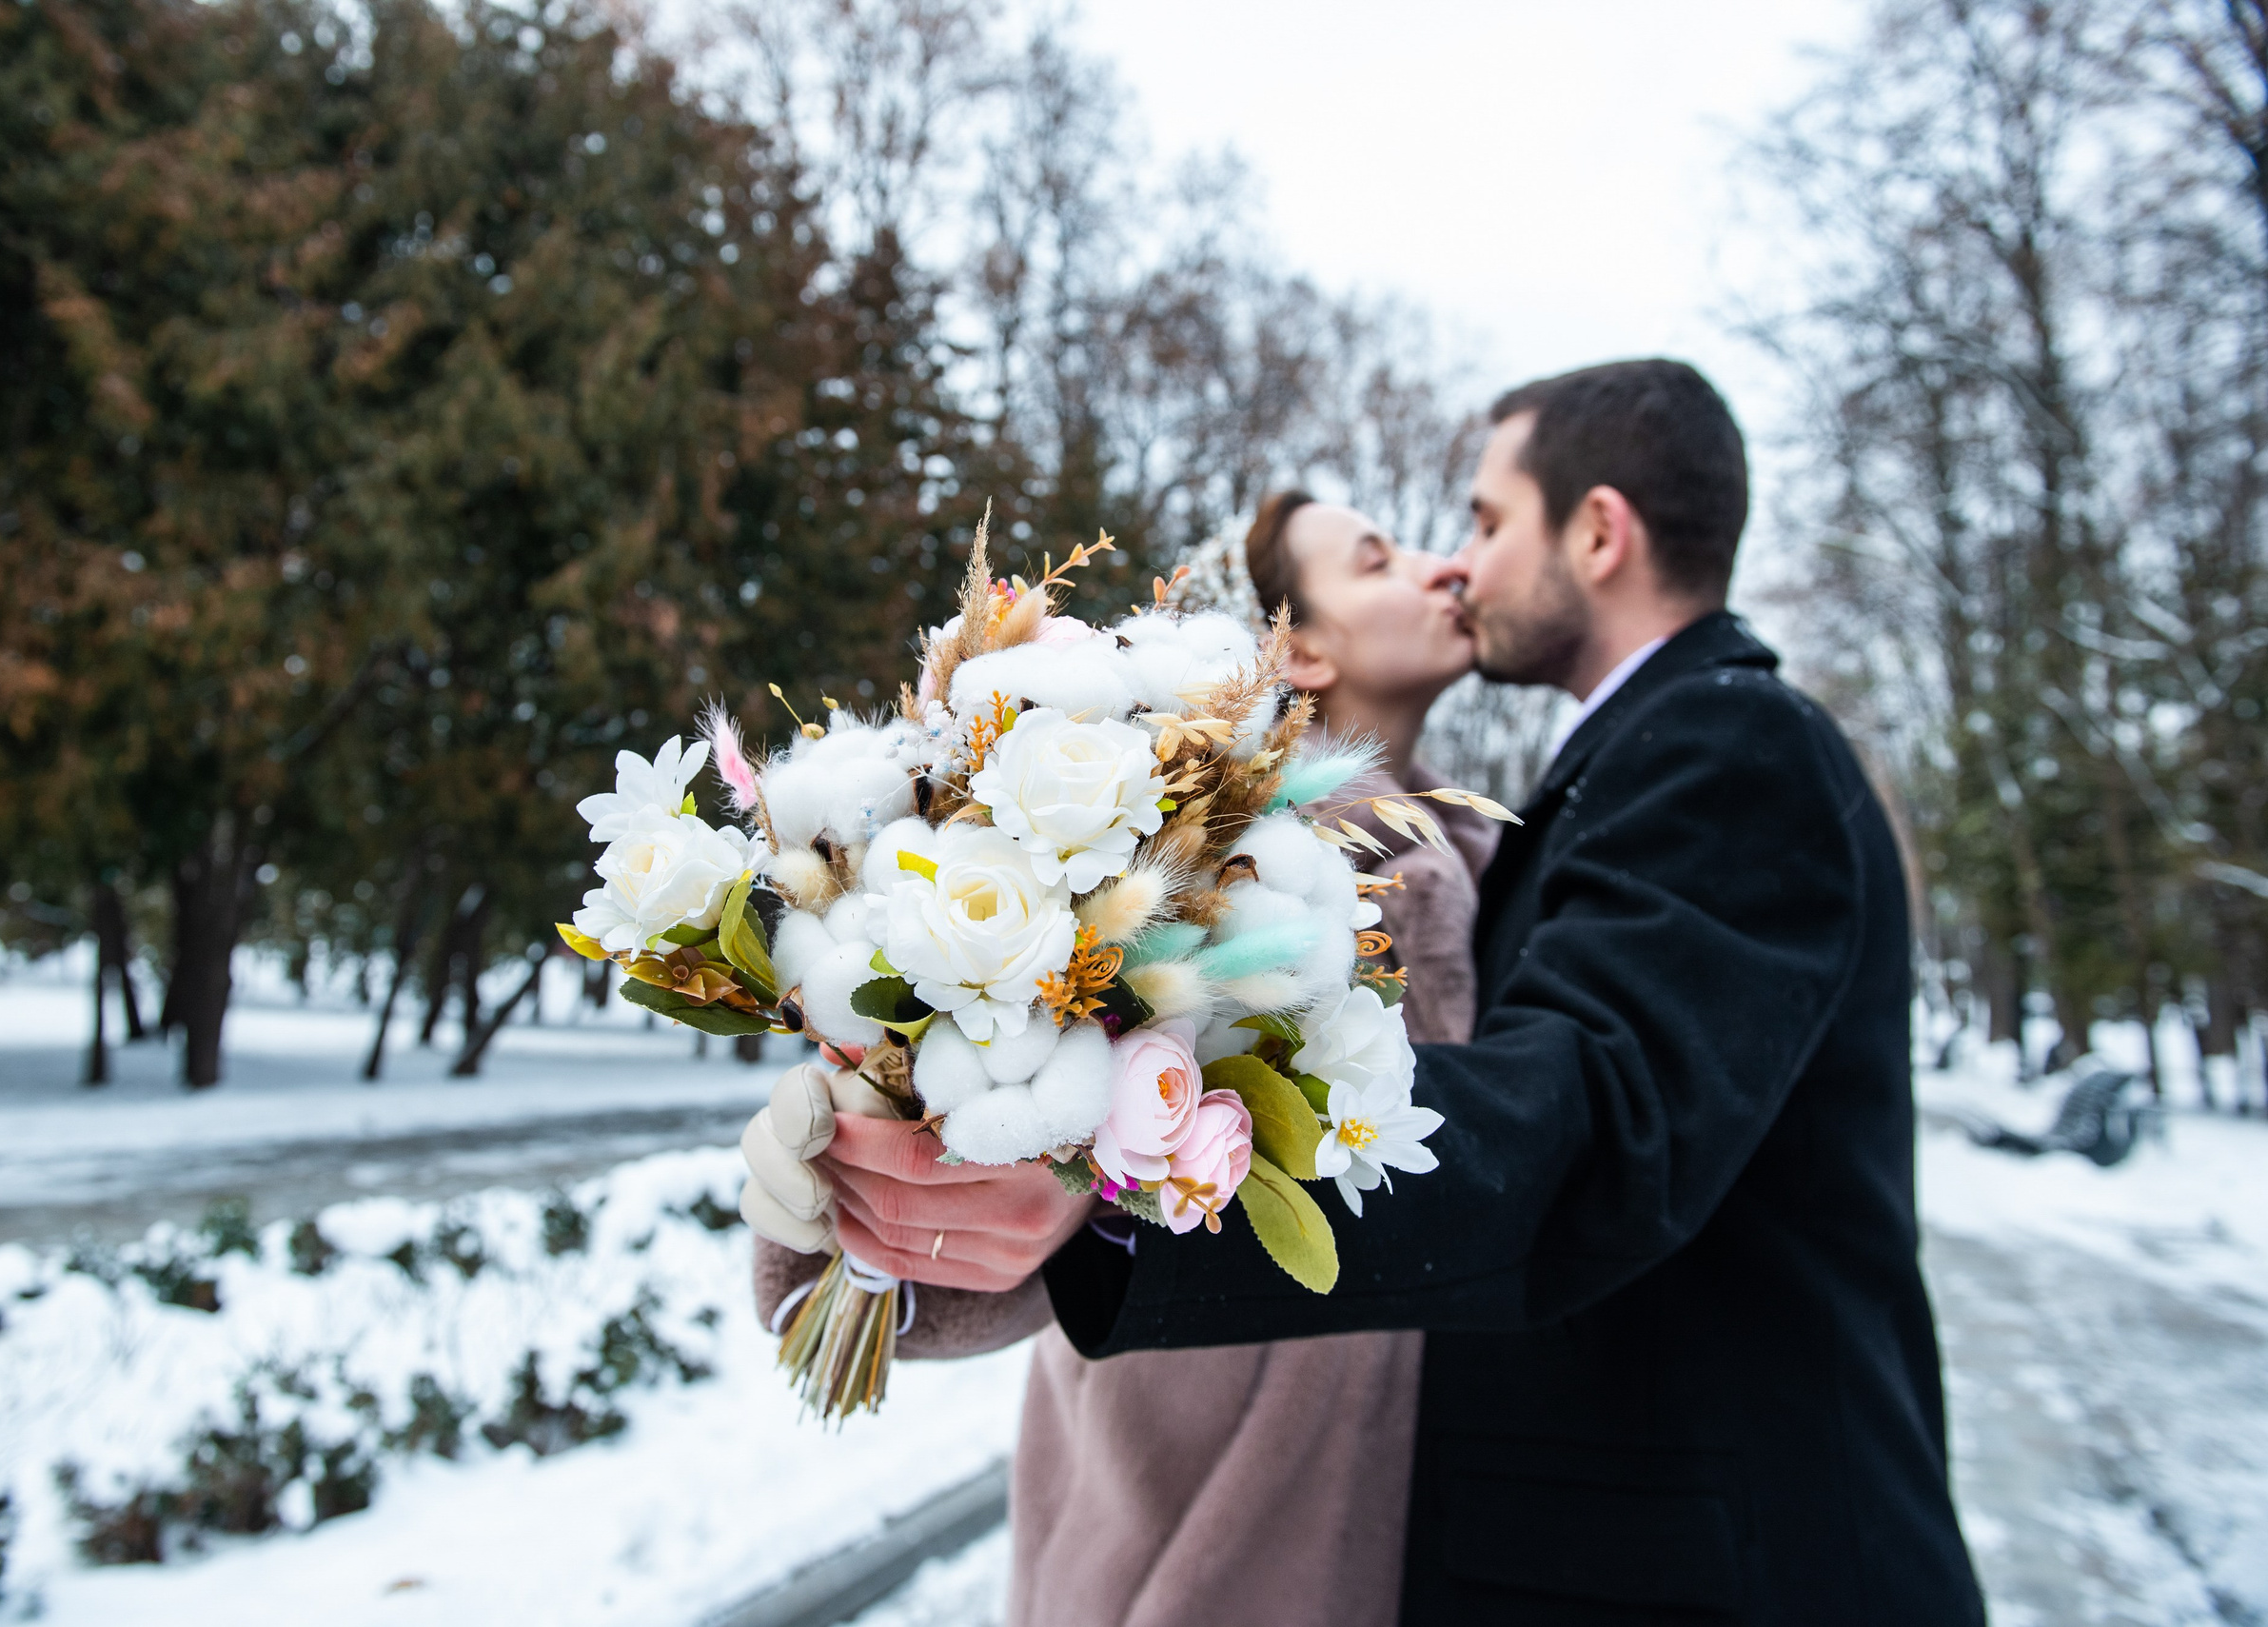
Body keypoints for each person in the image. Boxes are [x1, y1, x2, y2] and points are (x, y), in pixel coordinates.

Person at [770, 358, 1986, 1624]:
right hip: (1263, 1518)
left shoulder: (1719, 743)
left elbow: (1590, 1118)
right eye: (1407, 548)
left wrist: (1149, 1194)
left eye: (1486, 521)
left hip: (1713, 1560)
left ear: (1599, 533)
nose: (1458, 563)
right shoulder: (1280, 846)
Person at [740, 494, 1496, 1627]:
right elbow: (1032, 1148)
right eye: (1379, 558)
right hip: (1184, 1477)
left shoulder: (1475, 853)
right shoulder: (1206, 840)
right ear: (1300, 649)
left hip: (1387, 1486)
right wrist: (893, 1194)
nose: (1444, 570)